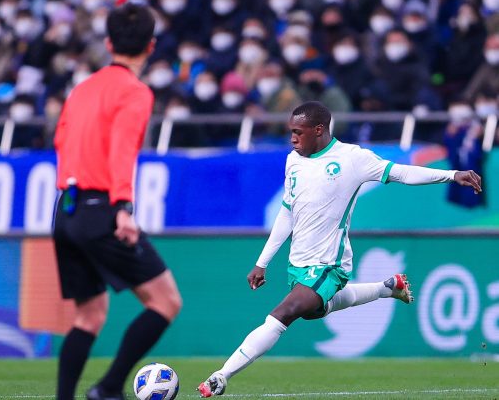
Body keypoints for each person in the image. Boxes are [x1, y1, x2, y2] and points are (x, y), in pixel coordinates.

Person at [197, 101, 482, 397]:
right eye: (291, 132)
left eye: (298, 132)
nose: (292, 139)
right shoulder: (293, 160)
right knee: (311, 311)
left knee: (284, 313)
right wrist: (262, 262)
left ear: (319, 130)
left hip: (329, 264)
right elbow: (287, 212)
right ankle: (387, 287)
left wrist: (451, 175)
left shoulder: (352, 158)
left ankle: (221, 376)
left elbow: (401, 173)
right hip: (299, 263)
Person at [53, 3, 182, 400]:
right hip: (103, 207)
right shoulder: (135, 92)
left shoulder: (81, 89)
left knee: (89, 315)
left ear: (108, 44)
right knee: (165, 301)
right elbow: (123, 151)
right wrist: (123, 208)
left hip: (66, 208)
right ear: (151, 46)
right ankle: (108, 388)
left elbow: (60, 140)